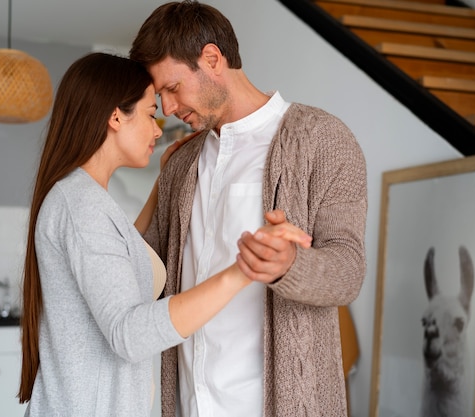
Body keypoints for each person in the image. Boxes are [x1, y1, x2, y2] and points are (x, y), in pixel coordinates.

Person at [129, 1, 368, 416]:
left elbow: (348, 271)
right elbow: (140, 274)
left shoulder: (322, 139)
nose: (167, 109)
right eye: (159, 96)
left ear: (212, 58)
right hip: (189, 404)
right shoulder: (183, 162)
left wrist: (290, 264)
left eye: (172, 88)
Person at [17, 52, 256, 417]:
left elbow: (120, 254)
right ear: (116, 116)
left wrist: (163, 186)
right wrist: (241, 272)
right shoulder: (80, 204)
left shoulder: (83, 197)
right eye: (150, 113)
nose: (158, 129)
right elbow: (129, 334)